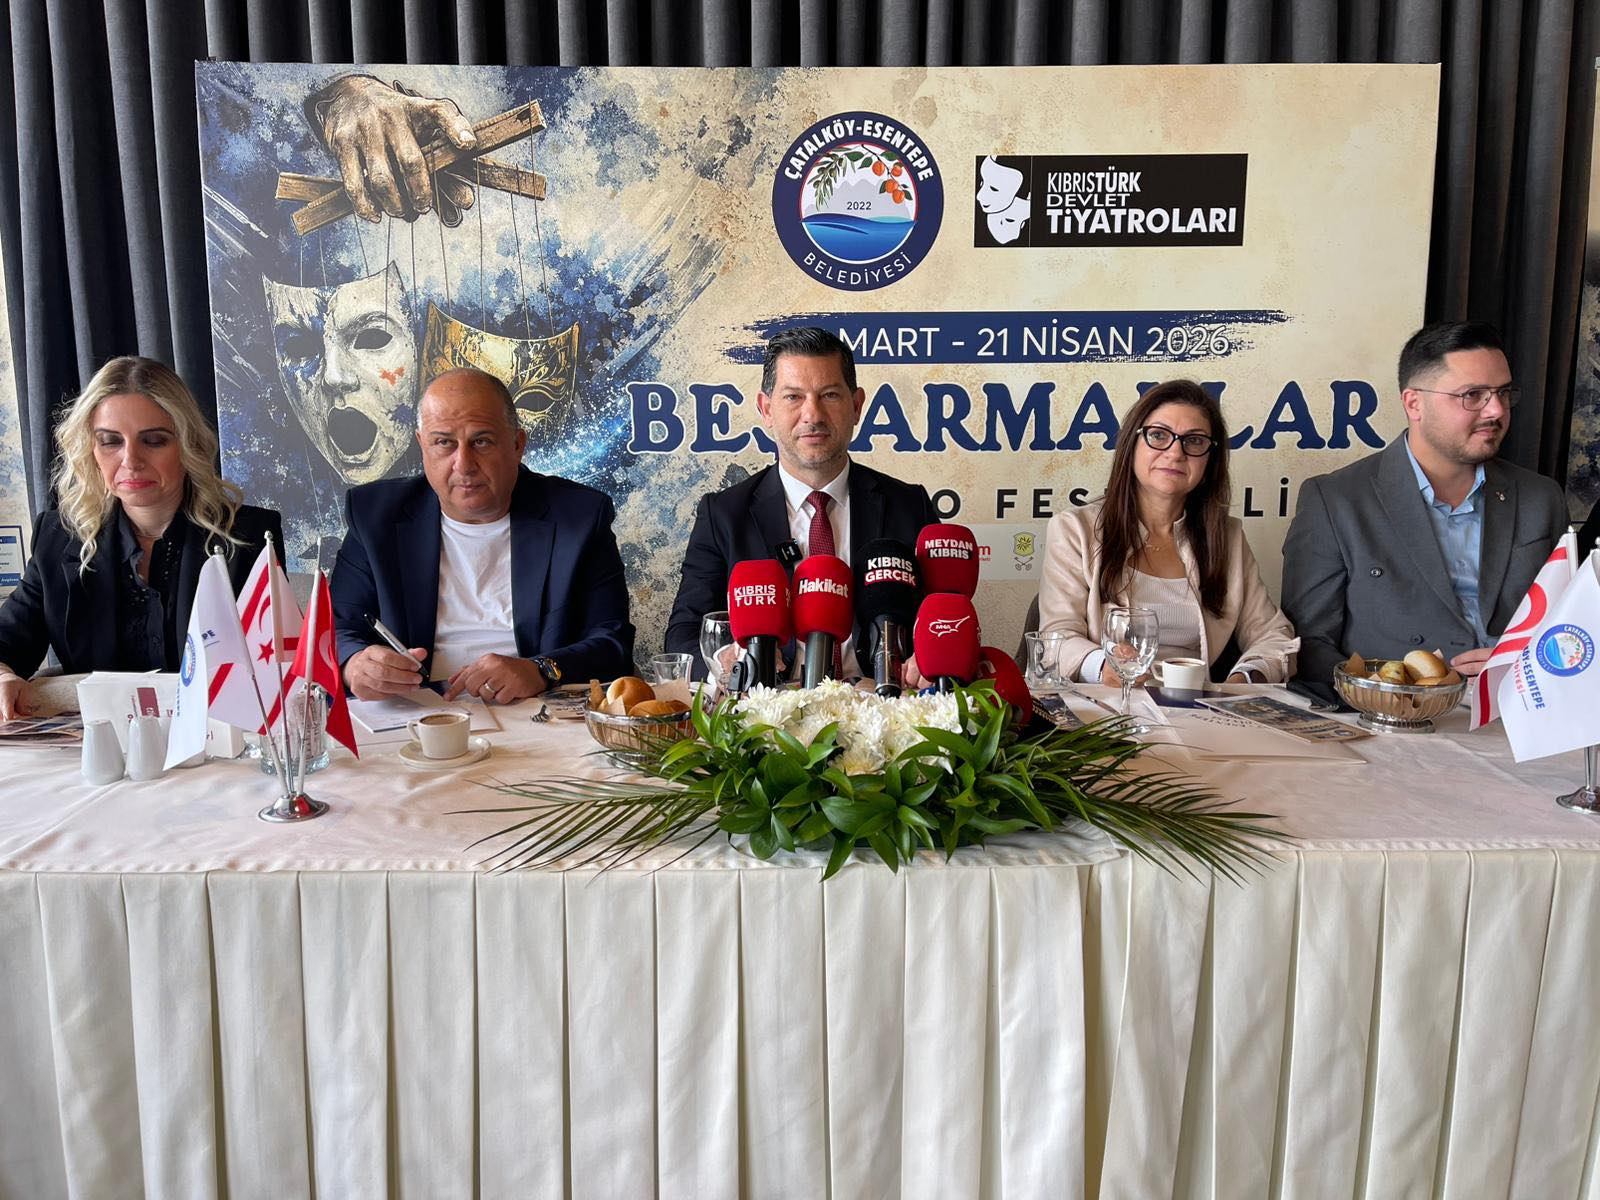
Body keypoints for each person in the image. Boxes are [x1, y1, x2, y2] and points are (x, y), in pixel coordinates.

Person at [1282, 320, 1568, 682]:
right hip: (1391, 708)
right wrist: (1391, 691)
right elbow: (1308, 644)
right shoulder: (1336, 501)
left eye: (1503, 393)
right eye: (1473, 395)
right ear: (1414, 403)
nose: (1496, 410)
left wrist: (1527, 664)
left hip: (1520, 700)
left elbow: (1572, 629)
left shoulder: (1541, 498)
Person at [0, 356, 282, 719]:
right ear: (91, 451)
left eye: (154, 441)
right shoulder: (58, 538)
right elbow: (8, 640)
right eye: (110, 441)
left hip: (215, 738)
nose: (131, 460)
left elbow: (274, 670)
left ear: (187, 445)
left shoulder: (249, 537)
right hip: (98, 744)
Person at [331, 366, 632, 702]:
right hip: (415, 712)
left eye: (482, 441)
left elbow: (612, 643)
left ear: (517, 444)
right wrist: (353, 664)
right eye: (443, 442)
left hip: (533, 709)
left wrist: (540, 670)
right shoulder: (375, 516)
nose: (464, 464)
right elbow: (336, 629)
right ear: (422, 445)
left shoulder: (579, 517)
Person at [664, 326, 936, 678]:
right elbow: (683, 635)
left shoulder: (910, 506)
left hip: (882, 700)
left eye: (829, 395)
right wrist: (726, 661)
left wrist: (931, 660)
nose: (813, 415)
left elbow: (944, 620)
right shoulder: (723, 514)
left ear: (856, 406)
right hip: (767, 704)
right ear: (766, 409)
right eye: (793, 397)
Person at [1036, 378, 1298, 685]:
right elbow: (1056, 638)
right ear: (1131, 444)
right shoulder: (1075, 529)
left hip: (1198, 706)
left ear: (1210, 460)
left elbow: (1274, 635)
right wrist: (1104, 666)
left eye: (1194, 441)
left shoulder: (1227, 537)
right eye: (1159, 435)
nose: (1175, 453)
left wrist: (1243, 681)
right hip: (1107, 704)